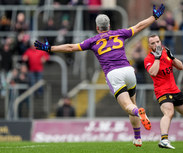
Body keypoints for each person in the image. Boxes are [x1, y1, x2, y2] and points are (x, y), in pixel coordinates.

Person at [34, 3, 165, 147]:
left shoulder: (93, 41)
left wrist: (50, 48)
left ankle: (139, 113)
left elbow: (71, 47)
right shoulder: (120, 33)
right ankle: (138, 138)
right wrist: (154, 16)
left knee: (129, 107)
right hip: (129, 71)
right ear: (109, 26)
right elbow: (140, 26)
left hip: (114, 74)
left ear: (97, 28)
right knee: (132, 103)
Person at [144, 34, 183, 149]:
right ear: (149, 45)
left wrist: (172, 57)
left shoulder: (166, 53)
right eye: (153, 43)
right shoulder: (148, 59)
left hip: (174, 90)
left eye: (157, 42)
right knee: (169, 113)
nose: (156, 44)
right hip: (162, 91)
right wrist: (157, 58)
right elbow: (153, 72)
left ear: (160, 41)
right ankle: (164, 140)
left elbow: (181, 67)